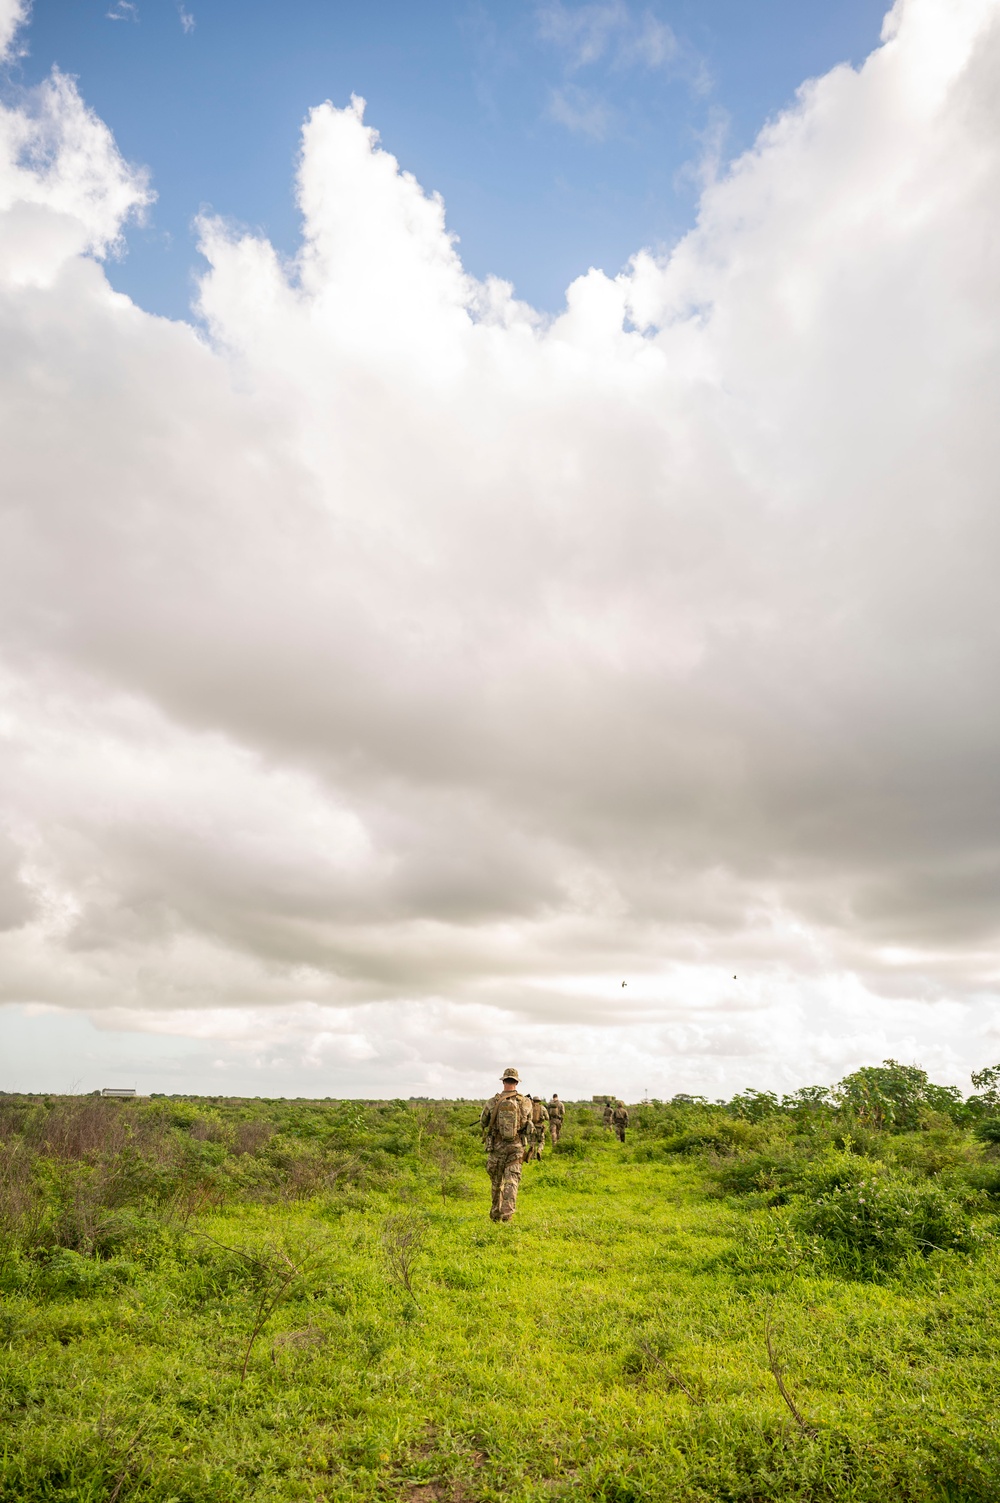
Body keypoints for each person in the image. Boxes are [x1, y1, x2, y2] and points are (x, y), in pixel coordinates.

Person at [479, 1067, 532, 1222]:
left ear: (504, 1081)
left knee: (496, 1183)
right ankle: (507, 1216)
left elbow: (483, 1122)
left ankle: (495, 1214)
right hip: (516, 1149)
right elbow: (528, 1122)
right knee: (512, 1182)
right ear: (516, 1082)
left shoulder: (492, 1102)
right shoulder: (525, 1102)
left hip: (496, 1148)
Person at [524, 1095, 549, 1161]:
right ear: (539, 1101)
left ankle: (532, 1156)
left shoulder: (530, 1108)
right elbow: (547, 1118)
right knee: (541, 1141)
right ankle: (539, 1150)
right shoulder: (542, 1108)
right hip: (540, 1127)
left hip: (531, 1127)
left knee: (532, 1142)